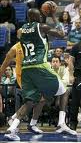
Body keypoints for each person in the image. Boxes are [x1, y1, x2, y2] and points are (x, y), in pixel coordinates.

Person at [3, 9, 76, 141]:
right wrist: (54, 15)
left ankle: (12, 128)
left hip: (26, 69)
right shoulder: (42, 26)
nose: (42, 16)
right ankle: (61, 123)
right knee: (65, 91)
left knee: (30, 101)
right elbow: (62, 34)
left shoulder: (21, 30)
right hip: (40, 67)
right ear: (37, 17)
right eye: (40, 15)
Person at [0, 41, 46, 134]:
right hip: (23, 78)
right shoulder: (16, 47)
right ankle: (13, 127)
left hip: (33, 77)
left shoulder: (35, 44)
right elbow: (8, 58)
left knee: (41, 99)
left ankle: (15, 119)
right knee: (30, 101)